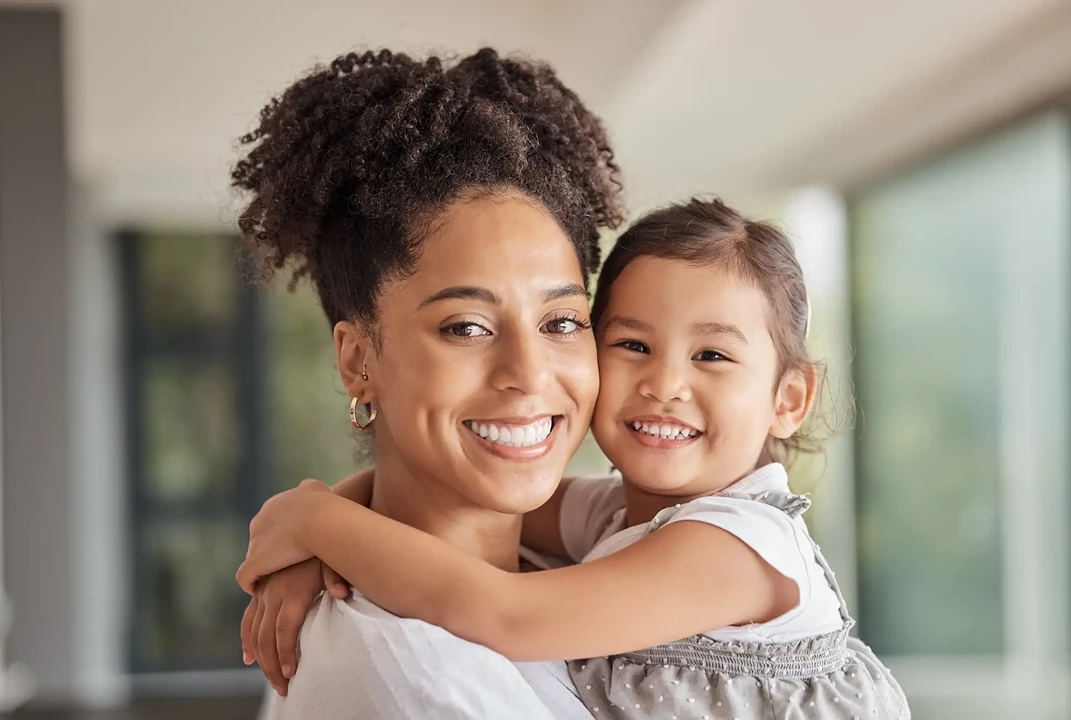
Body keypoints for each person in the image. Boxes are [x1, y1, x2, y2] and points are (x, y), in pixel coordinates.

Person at [240, 199, 911, 719]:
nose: (665, 384)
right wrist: (311, 520)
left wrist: (317, 526)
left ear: (788, 398)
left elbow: (504, 613)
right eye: (632, 345)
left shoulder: (740, 548)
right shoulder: (610, 512)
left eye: (712, 356)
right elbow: (452, 498)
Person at [231, 46, 623, 719]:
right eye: (467, 327)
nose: (528, 374)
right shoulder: (416, 682)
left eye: (561, 321)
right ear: (359, 360)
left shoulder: (583, 559)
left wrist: (319, 521)